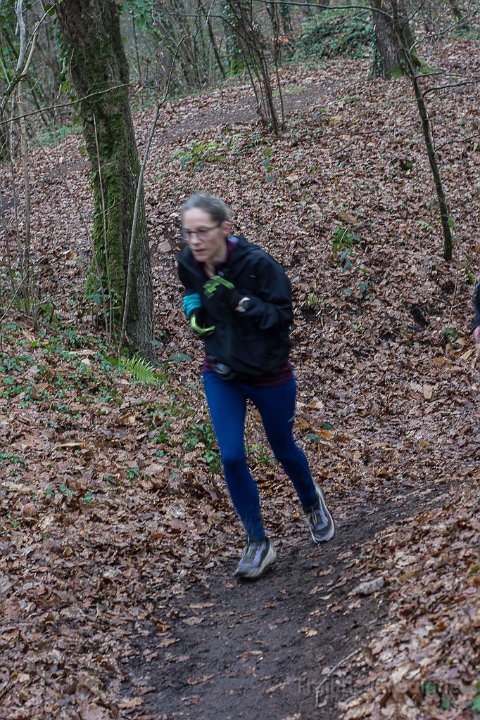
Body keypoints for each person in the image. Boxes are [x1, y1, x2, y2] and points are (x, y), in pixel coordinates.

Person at [177, 193, 335, 580]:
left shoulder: (259, 265)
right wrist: (194, 309)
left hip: (269, 374)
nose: (194, 241)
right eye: (188, 233)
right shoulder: (188, 262)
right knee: (231, 456)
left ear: (225, 229)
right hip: (222, 372)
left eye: (202, 231)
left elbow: (282, 317)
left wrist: (238, 301)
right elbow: (191, 289)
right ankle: (257, 542)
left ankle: (311, 500)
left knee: (283, 448)